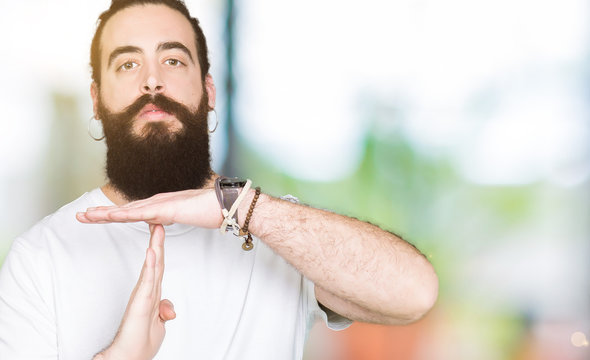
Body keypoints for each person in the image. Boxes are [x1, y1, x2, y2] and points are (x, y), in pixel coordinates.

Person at [0, 0, 438, 359]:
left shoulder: (273, 230)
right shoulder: (39, 258)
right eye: (128, 64)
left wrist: (243, 207)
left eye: (172, 59)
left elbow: (415, 293)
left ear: (208, 91)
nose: (153, 80)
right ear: (96, 101)